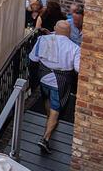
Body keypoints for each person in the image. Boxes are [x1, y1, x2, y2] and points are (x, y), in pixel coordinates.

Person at [29, 20, 81, 155]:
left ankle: (50, 121)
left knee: (47, 100)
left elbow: (33, 58)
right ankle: (45, 138)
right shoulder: (75, 48)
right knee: (56, 109)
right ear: (69, 33)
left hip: (43, 78)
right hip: (60, 83)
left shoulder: (42, 39)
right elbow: (78, 69)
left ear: (54, 29)